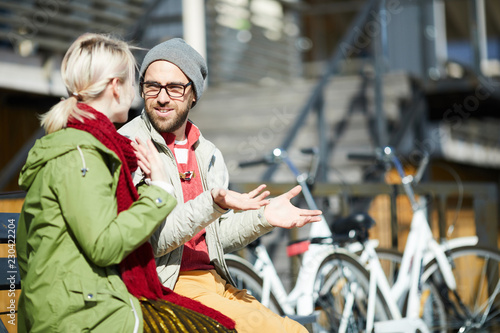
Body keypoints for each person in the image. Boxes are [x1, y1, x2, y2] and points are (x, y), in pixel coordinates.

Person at [17, 33, 237, 333]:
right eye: (138, 83)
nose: (142, 94)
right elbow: (105, 246)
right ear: (115, 87)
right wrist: (159, 190)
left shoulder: (92, 146)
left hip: (86, 302)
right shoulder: (81, 154)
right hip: (81, 314)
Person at [118, 37, 323, 333]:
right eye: (152, 86)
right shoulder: (130, 145)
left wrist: (264, 218)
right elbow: (147, 244)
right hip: (169, 284)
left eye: (175, 88)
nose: (162, 97)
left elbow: (215, 237)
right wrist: (212, 202)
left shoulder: (207, 152)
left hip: (217, 281)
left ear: (193, 96)